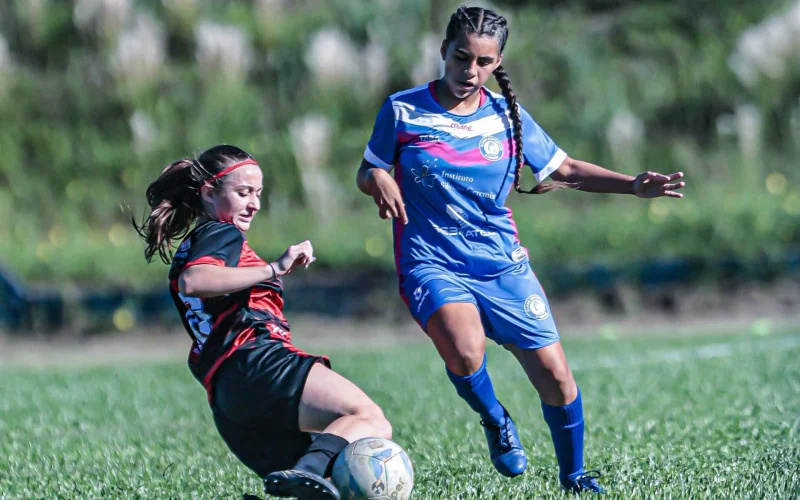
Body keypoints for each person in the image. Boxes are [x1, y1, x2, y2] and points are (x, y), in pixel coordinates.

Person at [356, 6, 685, 494]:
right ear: (443, 51)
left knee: (556, 375)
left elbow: (565, 170)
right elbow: (368, 171)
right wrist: (378, 175)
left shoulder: (507, 116)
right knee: (465, 350)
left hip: (501, 262)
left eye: (484, 62)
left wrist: (632, 185)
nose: (470, 71)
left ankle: (574, 475)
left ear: (498, 61)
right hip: (431, 259)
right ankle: (495, 419)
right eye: (461, 57)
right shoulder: (402, 109)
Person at [135, 144, 392, 500]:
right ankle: (308, 468)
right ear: (209, 194)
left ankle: (309, 470)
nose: (254, 203)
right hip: (258, 362)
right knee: (369, 418)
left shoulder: (198, 241)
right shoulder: (220, 233)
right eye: (243, 193)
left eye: (257, 193)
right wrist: (273, 268)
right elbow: (195, 280)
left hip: (229, 395)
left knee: (328, 485)